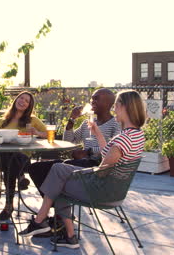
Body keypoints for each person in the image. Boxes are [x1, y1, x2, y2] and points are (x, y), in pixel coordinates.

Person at [19, 90, 146, 250]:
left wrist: (74, 171)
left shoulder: (122, 138)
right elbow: (109, 153)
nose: (114, 109)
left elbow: (102, 171)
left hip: (101, 191)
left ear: (124, 107)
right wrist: (98, 133)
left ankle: (41, 222)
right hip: (115, 190)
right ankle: (66, 235)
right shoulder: (136, 135)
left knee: (58, 174)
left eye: (116, 106)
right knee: (59, 174)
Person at [27, 88, 121, 197]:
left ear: (108, 103)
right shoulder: (87, 123)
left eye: (96, 99)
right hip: (81, 163)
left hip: (97, 166)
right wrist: (71, 120)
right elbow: (69, 141)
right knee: (35, 168)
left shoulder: (115, 123)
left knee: (55, 169)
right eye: (91, 99)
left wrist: (88, 152)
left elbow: (113, 149)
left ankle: (57, 204)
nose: (92, 102)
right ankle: (55, 203)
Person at [0, 91, 47, 221]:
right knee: (9, 157)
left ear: (29, 106)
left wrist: (37, 132)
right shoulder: (3, 120)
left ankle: (8, 206)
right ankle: (21, 176)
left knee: (11, 165)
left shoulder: (32, 120)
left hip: (21, 159)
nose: (22, 101)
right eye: (21, 98)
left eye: (26, 101)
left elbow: (49, 133)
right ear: (16, 100)